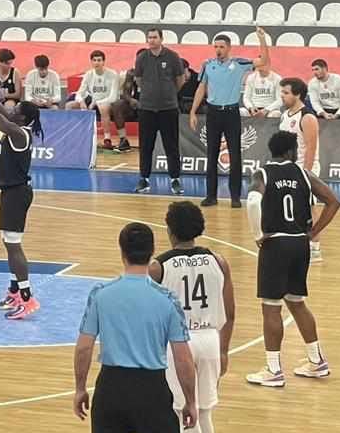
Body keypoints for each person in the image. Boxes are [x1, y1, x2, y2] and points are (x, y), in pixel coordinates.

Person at [74, 222, 196, 433]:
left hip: (110, 389)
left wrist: (80, 388)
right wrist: (190, 400)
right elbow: (183, 358)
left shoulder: (101, 294)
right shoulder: (167, 299)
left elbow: (83, 348)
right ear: (152, 252)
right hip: (151, 391)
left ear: (122, 252)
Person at [245, 130, 340, 388]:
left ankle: (273, 369)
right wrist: (314, 231)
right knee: (297, 302)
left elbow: (252, 201)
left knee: (271, 306)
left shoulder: (262, 173)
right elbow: (333, 201)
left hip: (276, 243)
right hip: (300, 244)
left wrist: (258, 235)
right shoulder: (304, 174)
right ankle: (316, 361)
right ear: (290, 151)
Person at [149, 202, 235, 433]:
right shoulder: (218, 261)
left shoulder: (158, 267)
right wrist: (224, 349)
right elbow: (230, 312)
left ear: (170, 230)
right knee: (205, 411)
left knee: (185, 413)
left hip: (178, 344)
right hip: (210, 338)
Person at [0, 62, 43, 321]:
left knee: (14, 246)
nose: (11, 109)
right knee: (8, 243)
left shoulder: (18, 133)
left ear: (22, 118)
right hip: (11, 192)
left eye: (15, 109)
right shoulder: (17, 128)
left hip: (16, 193)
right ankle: (15, 291)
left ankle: (27, 297)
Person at [190, 27, 270, 208]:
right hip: (213, 113)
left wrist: (262, 39)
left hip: (231, 113)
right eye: (216, 47)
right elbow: (201, 88)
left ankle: (235, 196)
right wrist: (193, 111)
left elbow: (263, 61)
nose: (218, 50)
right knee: (211, 154)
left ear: (229, 48)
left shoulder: (239, 64)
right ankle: (211, 196)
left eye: (221, 47)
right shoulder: (207, 65)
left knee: (235, 155)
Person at [133, 28, 187, 195]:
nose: (151, 40)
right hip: (147, 109)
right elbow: (139, 80)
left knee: (171, 146)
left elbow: (180, 79)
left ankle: (175, 179)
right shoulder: (142, 58)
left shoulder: (172, 56)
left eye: (155, 37)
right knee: (145, 146)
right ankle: (144, 179)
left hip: (168, 109)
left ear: (161, 39)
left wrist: (169, 93)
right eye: (149, 37)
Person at [278, 76, 325, 262]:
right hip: (289, 168)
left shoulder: (307, 117)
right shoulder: (285, 115)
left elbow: (311, 149)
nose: (282, 96)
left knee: (309, 207)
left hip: (305, 168)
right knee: (291, 207)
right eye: (282, 92)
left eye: (286, 92)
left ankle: (315, 247)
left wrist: (306, 173)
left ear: (297, 95)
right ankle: (296, 243)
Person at [68, 50, 120, 150]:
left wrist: (97, 102)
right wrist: (81, 101)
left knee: (103, 107)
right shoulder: (88, 74)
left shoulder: (112, 74)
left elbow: (113, 96)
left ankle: (107, 138)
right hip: (93, 101)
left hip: (108, 102)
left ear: (103, 62)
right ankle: (73, 135)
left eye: (99, 60)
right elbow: (79, 93)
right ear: (91, 62)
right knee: (70, 105)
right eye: (94, 60)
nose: (97, 63)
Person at [109, 68, 139, 153]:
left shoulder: (157, 70)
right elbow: (125, 93)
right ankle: (123, 140)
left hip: (153, 104)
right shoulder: (132, 73)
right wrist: (130, 100)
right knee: (117, 105)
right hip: (136, 105)